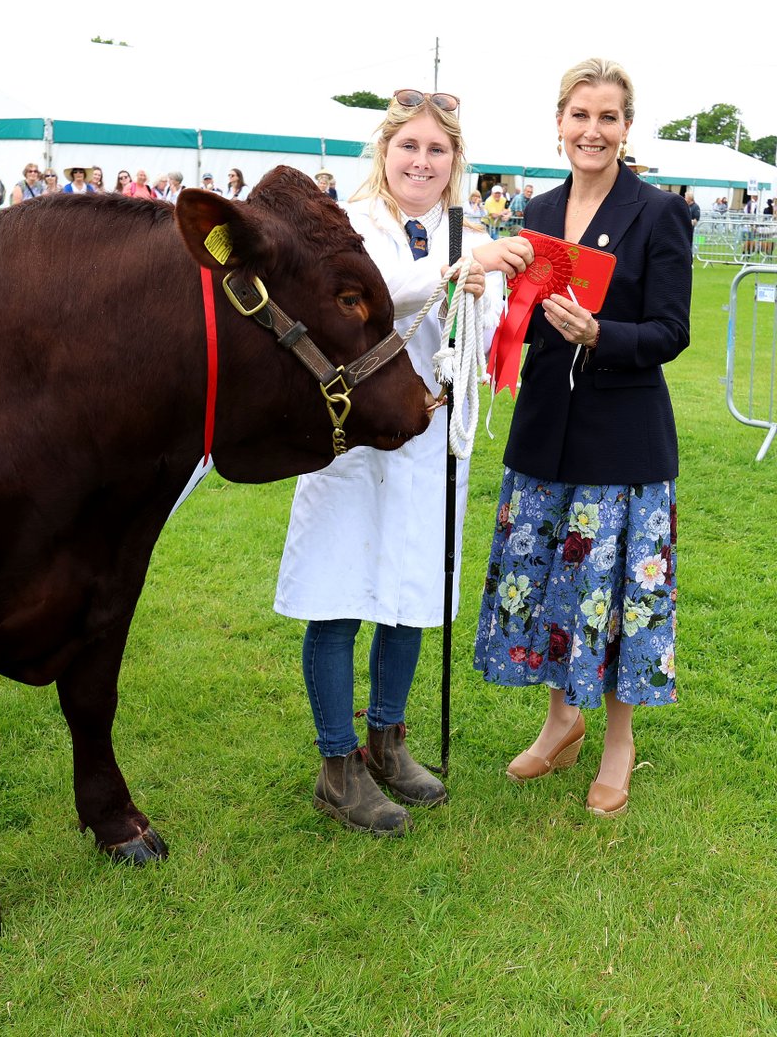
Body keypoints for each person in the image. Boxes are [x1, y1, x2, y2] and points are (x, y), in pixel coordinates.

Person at [274, 87, 533, 836]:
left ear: (456, 162)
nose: (421, 160)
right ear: (384, 151)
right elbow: (370, 299)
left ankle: (388, 740)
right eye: (409, 146)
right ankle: (337, 764)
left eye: (437, 149)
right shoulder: (344, 227)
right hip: (351, 442)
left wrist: (477, 298)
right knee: (339, 595)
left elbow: (472, 351)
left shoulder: (462, 232)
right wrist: (457, 271)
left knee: (411, 591)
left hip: (426, 443)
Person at [473, 58, 690, 819]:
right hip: (545, 432)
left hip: (622, 440)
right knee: (557, 586)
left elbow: (671, 330)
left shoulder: (658, 213)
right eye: (579, 116)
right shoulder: (536, 208)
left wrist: (603, 333)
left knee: (618, 596)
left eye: (607, 118)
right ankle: (561, 720)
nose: (591, 131)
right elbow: (531, 322)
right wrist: (489, 291)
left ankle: (618, 742)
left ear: (627, 127)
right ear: (559, 122)